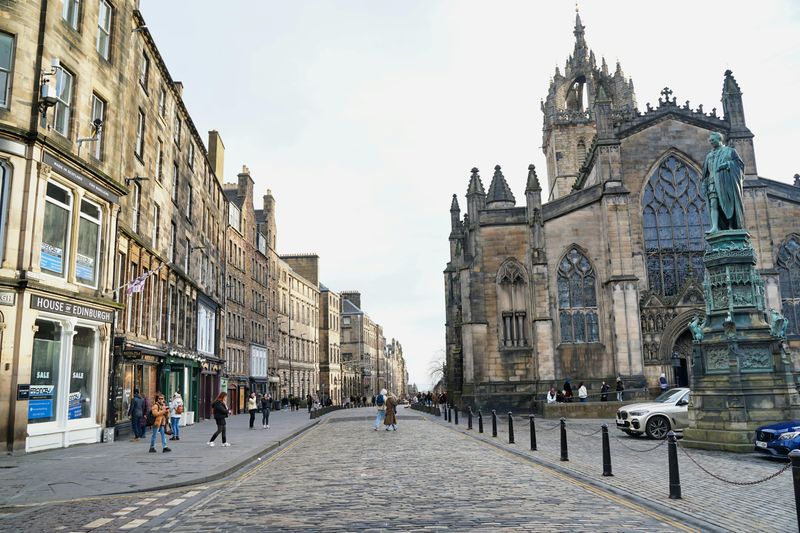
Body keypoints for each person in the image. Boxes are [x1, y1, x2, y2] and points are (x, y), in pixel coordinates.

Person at [701, 130, 746, 233]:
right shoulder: (709, 156)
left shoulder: (730, 151)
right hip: (712, 183)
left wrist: (727, 165)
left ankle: (732, 226)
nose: (710, 142)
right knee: (713, 204)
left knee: (728, 205)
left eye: (712, 140)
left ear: (719, 139)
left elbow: (740, 165)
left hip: (725, 183)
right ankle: (715, 227)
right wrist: (704, 183)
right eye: (709, 140)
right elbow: (706, 173)